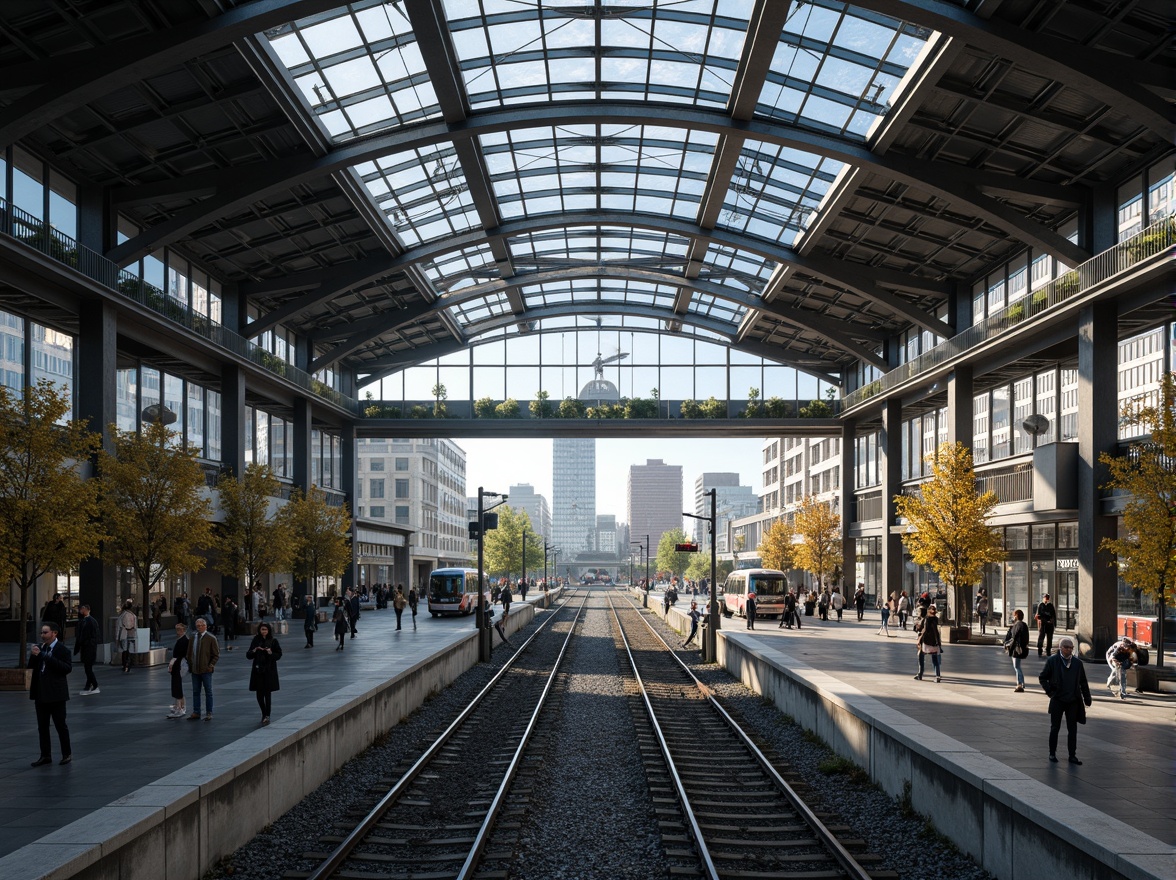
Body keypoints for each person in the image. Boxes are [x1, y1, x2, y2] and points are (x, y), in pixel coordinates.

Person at [1038, 637, 1091, 764]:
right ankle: (1052, 753)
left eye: (1071, 648)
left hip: (1073, 700)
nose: (1069, 650)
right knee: (1055, 728)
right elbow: (1042, 677)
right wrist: (1050, 692)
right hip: (1058, 700)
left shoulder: (1078, 664)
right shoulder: (1053, 661)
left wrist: (1087, 698)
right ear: (1061, 648)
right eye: (1066, 647)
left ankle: (1072, 755)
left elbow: (1083, 682)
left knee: (1072, 729)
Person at [29, 621, 72, 766]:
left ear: (54, 633)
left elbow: (66, 668)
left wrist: (45, 656)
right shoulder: (41, 648)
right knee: (42, 726)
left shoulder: (62, 650)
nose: (42, 635)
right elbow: (32, 667)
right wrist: (34, 655)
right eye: (41, 632)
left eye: (45, 632)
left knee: (60, 725)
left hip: (56, 694)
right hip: (41, 693)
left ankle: (66, 754)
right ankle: (45, 755)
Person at [247, 622, 282, 725]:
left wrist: (270, 652)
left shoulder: (273, 641)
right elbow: (248, 655)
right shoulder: (256, 640)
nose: (264, 632)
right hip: (258, 670)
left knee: (267, 694)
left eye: (266, 630)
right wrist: (254, 650)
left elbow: (279, 655)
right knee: (259, 694)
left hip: (269, 670)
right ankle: (263, 712)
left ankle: (267, 715)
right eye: (262, 629)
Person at [187, 616, 220, 721]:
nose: (199, 627)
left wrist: (210, 665)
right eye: (197, 626)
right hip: (195, 669)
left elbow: (216, 654)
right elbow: (189, 653)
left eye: (201, 626)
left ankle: (209, 712)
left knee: (208, 691)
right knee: (196, 691)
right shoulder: (193, 637)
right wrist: (190, 664)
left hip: (206, 670)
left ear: (205, 626)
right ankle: (196, 711)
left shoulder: (211, 638)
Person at [73, 603, 101, 695]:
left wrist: (88, 644)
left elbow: (94, 636)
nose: (81, 611)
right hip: (86, 647)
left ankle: (94, 685)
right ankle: (89, 685)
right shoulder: (84, 621)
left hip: (89, 647)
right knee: (87, 667)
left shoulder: (90, 621)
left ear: (87, 610)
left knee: (88, 668)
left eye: (82, 609)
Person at [913, 604, 943, 682]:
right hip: (934, 642)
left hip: (926, 642)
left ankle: (920, 674)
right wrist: (939, 643)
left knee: (920, 656)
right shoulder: (936, 619)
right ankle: (937, 676)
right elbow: (937, 632)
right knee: (935, 659)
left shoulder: (926, 619)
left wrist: (919, 638)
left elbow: (924, 630)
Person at [1003, 609, 1030, 692]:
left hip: (1016, 649)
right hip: (1022, 648)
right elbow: (1026, 638)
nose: (1013, 617)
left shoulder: (1016, 626)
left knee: (1016, 666)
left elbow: (1013, 638)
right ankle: (1022, 683)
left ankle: (1020, 683)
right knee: (1017, 666)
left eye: (1014, 615)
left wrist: (1009, 647)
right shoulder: (1024, 625)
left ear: (1016, 616)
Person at [167, 622, 190, 718]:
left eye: (180, 630)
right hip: (178, 664)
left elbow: (178, 655)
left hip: (179, 665)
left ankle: (180, 707)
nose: (178, 632)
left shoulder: (183, 640)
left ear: (184, 630)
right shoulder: (183, 639)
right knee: (177, 685)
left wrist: (172, 663)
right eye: (177, 630)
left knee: (177, 685)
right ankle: (179, 706)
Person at [117, 599, 138, 673]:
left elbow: (118, 627)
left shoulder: (122, 615)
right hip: (132, 634)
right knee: (130, 650)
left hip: (124, 634)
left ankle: (125, 664)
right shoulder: (133, 615)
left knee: (124, 649)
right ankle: (129, 664)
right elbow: (135, 626)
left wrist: (117, 637)